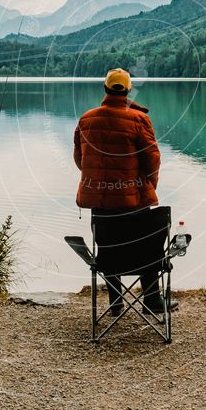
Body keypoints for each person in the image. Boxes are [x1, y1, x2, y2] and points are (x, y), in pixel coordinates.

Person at [73, 67, 175, 314]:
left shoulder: (86, 119)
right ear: (128, 89)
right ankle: (152, 301)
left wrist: (98, 180)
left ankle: (116, 301)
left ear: (106, 88)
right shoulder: (139, 120)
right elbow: (153, 160)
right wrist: (147, 185)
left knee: (108, 246)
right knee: (146, 244)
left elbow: (80, 159)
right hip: (135, 200)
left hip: (100, 200)